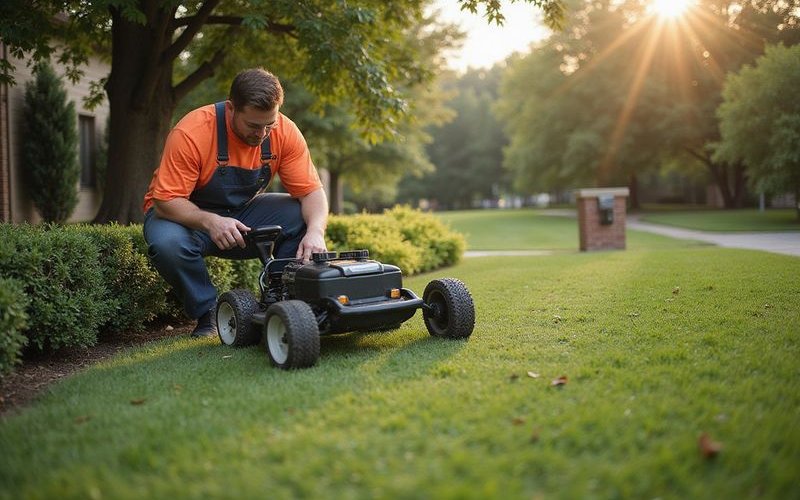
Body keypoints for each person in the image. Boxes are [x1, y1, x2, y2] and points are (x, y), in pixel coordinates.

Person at [142, 68, 328, 338]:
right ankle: (208, 315)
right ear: (231, 109)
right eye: (253, 126)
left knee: (300, 215)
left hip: (240, 215)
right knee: (167, 244)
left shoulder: (285, 132)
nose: (262, 133)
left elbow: (312, 192)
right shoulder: (192, 132)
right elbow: (166, 201)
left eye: (269, 124)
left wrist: (316, 232)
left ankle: (284, 303)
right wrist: (212, 221)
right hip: (180, 217)